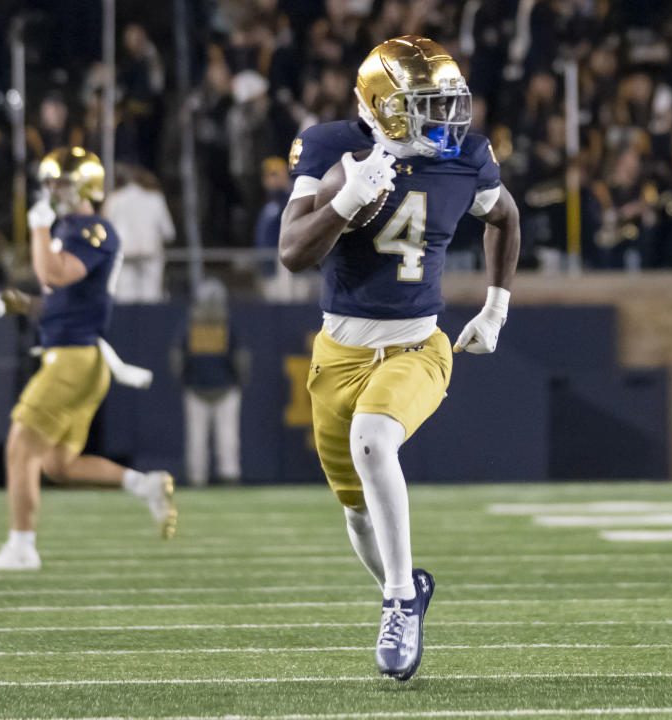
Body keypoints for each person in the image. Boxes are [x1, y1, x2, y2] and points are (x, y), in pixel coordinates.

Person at [278, 36, 520, 680]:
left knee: (372, 440)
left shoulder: (466, 155)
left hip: (418, 343)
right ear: (383, 106)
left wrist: (495, 307)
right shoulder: (333, 147)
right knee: (356, 512)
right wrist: (345, 202)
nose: (446, 119)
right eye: (427, 105)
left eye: (449, 103)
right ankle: (404, 585)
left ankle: (397, 602)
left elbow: (506, 218)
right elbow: (292, 252)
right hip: (339, 350)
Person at [0, 147, 177, 572]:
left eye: (60, 181)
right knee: (58, 464)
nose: (52, 190)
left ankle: (22, 547)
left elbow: (54, 274)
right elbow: (60, 297)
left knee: (20, 446)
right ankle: (144, 485)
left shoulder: (94, 229)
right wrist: (26, 305)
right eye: (49, 182)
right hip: (75, 355)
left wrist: (38, 227)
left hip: (74, 360)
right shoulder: (72, 229)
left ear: (85, 184)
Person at [170, 278, 250, 487]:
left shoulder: (197, 324)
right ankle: (213, 477)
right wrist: (240, 380)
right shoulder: (196, 324)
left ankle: (217, 477)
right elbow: (240, 358)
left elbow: (177, 357)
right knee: (216, 438)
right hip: (209, 388)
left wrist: (183, 378)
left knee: (217, 438)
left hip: (212, 388)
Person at [103, 164, 176, 303]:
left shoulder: (115, 199)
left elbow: (106, 229)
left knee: (124, 296)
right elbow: (168, 232)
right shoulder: (155, 198)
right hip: (150, 252)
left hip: (124, 252)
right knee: (151, 297)